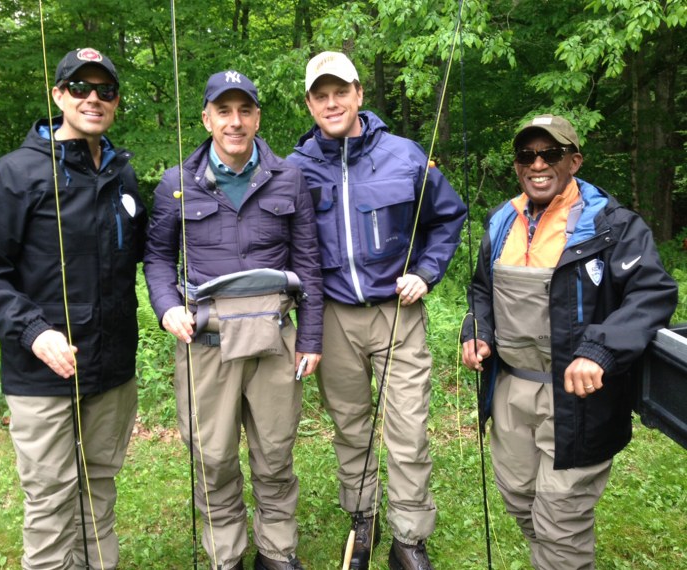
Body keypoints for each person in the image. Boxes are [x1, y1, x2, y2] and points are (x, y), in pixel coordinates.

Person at [461, 114, 678, 569]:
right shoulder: (502, 219)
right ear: (518, 164)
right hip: (510, 390)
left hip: (578, 398)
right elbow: (482, 289)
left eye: (551, 154)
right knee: (521, 498)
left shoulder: (612, 225)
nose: (537, 164)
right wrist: (475, 331)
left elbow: (652, 293)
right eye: (527, 155)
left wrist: (601, 349)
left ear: (574, 161)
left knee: (561, 515)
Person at [0, 48, 146, 569]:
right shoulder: (15, 174)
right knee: (50, 498)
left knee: (100, 489)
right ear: (58, 94)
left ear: (115, 101)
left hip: (111, 369)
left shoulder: (122, 175)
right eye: (80, 87)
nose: (94, 98)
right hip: (42, 371)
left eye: (105, 90)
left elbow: (142, 257)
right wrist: (34, 332)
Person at [287, 51, 467, 570]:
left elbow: (448, 217)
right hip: (335, 318)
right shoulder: (295, 169)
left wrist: (427, 271)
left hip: (397, 313)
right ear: (310, 104)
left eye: (340, 91)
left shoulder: (406, 155)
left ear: (359, 94)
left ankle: (409, 538)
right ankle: (362, 519)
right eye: (320, 95)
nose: (331, 102)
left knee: (408, 429)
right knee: (351, 426)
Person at [143, 70, 322, 570]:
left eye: (245, 110)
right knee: (212, 457)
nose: (235, 122)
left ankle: (277, 550)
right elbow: (157, 259)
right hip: (206, 342)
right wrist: (166, 308)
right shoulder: (176, 184)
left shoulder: (289, 177)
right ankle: (227, 554)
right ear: (206, 118)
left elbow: (307, 262)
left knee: (275, 452)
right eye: (224, 111)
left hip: (274, 339)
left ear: (258, 117)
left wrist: (311, 337)